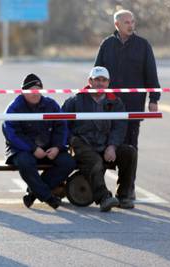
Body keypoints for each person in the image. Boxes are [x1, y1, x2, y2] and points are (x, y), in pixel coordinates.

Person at [94, 9, 161, 199]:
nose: (131, 25)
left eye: (132, 22)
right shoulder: (107, 45)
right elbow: (97, 72)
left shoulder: (143, 45)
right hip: (109, 106)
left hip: (132, 105)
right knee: (106, 145)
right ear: (117, 25)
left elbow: (151, 73)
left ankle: (126, 188)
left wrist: (154, 98)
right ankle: (99, 187)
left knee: (130, 147)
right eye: (126, 22)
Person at [62, 67, 137, 212]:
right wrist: (71, 140)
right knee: (94, 161)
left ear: (108, 83)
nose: (100, 83)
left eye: (103, 80)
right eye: (97, 80)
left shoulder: (115, 102)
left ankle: (124, 196)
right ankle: (104, 198)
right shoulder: (76, 100)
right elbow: (62, 123)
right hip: (83, 145)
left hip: (105, 145)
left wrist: (112, 146)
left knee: (129, 152)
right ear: (90, 81)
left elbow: (120, 126)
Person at [2, 74, 76, 209]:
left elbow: (62, 126)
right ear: (23, 91)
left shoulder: (51, 105)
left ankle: (33, 193)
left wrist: (57, 147)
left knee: (68, 162)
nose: (35, 93)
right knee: (25, 162)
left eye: (38, 89)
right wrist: (33, 149)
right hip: (22, 149)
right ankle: (48, 197)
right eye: (31, 90)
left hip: (48, 148)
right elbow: (12, 134)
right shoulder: (14, 107)